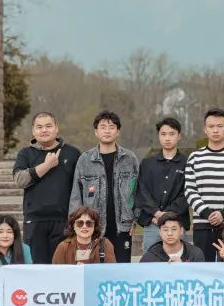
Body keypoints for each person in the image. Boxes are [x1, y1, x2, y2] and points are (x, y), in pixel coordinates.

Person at [69, 110, 140, 263]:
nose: (107, 131)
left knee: (121, 268)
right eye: (103, 127)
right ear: (96, 132)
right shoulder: (85, 160)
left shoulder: (130, 159)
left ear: (118, 131)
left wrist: (135, 219)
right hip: (92, 227)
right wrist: (77, 223)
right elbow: (76, 195)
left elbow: (138, 192)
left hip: (123, 226)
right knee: (93, 267)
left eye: (111, 127)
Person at [12, 111, 81, 264]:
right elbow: (20, 180)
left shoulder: (72, 153)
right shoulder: (26, 154)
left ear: (56, 128)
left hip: (64, 221)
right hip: (35, 221)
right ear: (33, 131)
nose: (44, 130)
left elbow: (80, 187)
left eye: (48, 126)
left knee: (63, 266)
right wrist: (46, 165)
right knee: (37, 267)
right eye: (39, 127)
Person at [184, 108, 224, 262]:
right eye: (211, 126)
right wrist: (207, 213)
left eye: (220, 126)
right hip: (202, 224)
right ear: (205, 129)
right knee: (202, 266)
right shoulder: (195, 157)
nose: (215, 130)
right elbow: (189, 190)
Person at [136, 117, 188, 255]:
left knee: (179, 262)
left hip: (177, 224)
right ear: (159, 136)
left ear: (179, 136)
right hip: (152, 223)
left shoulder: (188, 163)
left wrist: (167, 215)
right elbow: (141, 191)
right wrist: (157, 213)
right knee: (151, 262)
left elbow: (187, 194)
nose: (167, 138)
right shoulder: (147, 163)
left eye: (172, 134)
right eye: (163, 134)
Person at [51, 206, 116, 265]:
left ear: (94, 226)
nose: (84, 226)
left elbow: (111, 271)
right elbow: (57, 272)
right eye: (80, 223)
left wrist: (87, 270)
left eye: (89, 223)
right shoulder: (63, 247)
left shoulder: (105, 245)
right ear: (73, 226)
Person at [140, 211, 205, 263]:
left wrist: (183, 268)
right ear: (160, 232)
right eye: (165, 230)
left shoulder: (194, 254)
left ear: (181, 230)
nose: (169, 233)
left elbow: (199, 275)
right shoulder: (149, 257)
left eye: (174, 229)